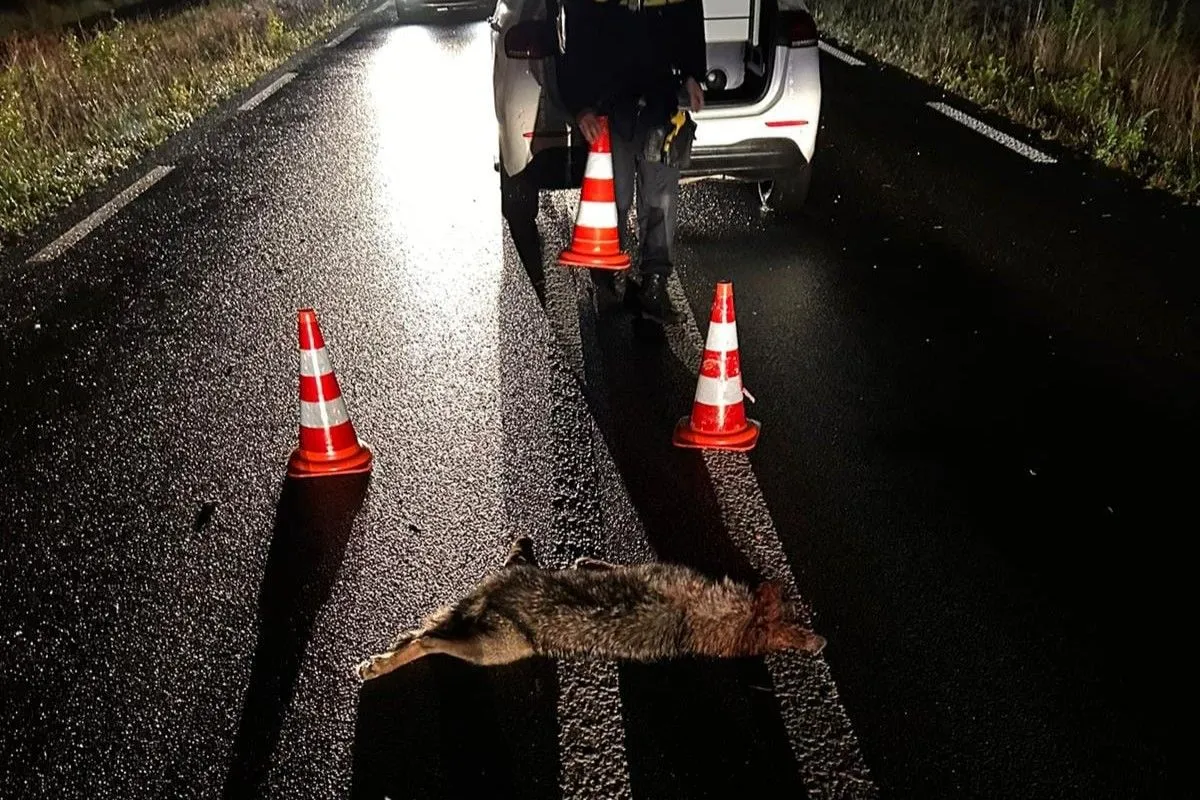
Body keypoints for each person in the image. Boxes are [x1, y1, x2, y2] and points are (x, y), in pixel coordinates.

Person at [560, 0, 707, 324]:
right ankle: (609, 280)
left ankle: (653, 286)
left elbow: (687, 11)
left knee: (660, 199)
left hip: (661, 98)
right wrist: (581, 105)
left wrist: (692, 73)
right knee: (614, 197)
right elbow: (575, 34)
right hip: (609, 104)